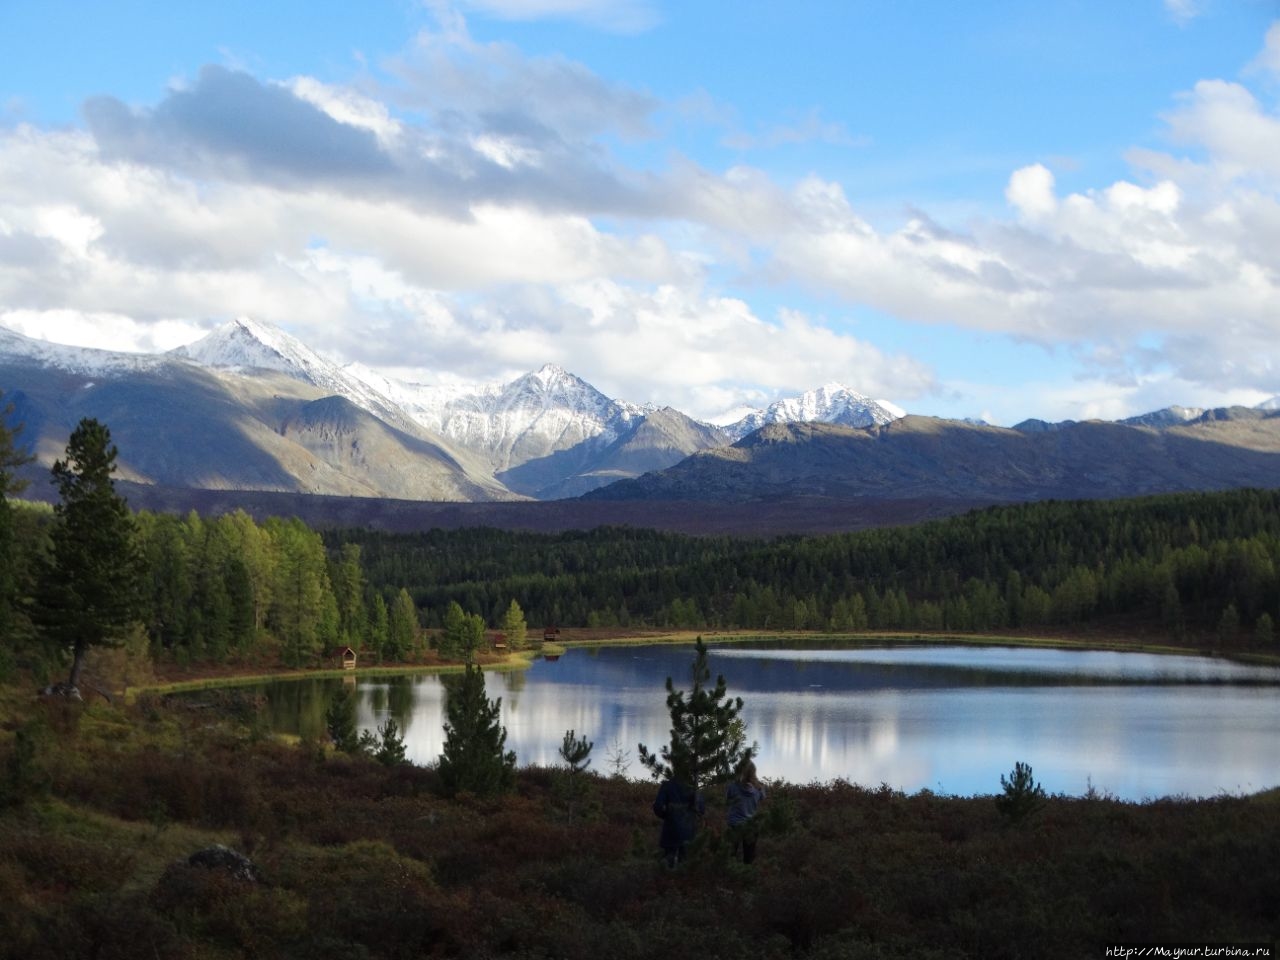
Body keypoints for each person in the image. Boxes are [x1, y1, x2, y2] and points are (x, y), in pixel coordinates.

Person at [653, 776, 704, 868]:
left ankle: (667, 879)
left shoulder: (667, 785)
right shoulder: (693, 787)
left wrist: (666, 816)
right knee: (685, 864)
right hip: (689, 831)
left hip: (670, 830)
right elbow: (701, 809)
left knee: (667, 864)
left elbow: (658, 807)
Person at [725, 759, 766, 864]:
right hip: (751, 826)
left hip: (734, 825)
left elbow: (727, 798)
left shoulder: (733, 787)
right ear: (754, 772)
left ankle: (729, 878)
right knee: (749, 858)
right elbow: (762, 798)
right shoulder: (759, 788)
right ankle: (746, 878)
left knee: (730, 855)